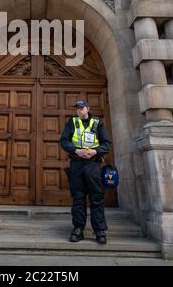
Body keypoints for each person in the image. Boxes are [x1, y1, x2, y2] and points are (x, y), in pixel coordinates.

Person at [60, 100, 111, 244]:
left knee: (97, 197)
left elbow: (106, 144)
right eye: (77, 108)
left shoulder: (97, 122)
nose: (79, 111)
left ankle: (99, 230)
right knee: (78, 197)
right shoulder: (72, 122)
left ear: (88, 108)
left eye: (82, 108)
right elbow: (64, 141)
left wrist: (95, 151)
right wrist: (76, 151)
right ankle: (78, 229)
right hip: (76, 163)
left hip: (93, 164)